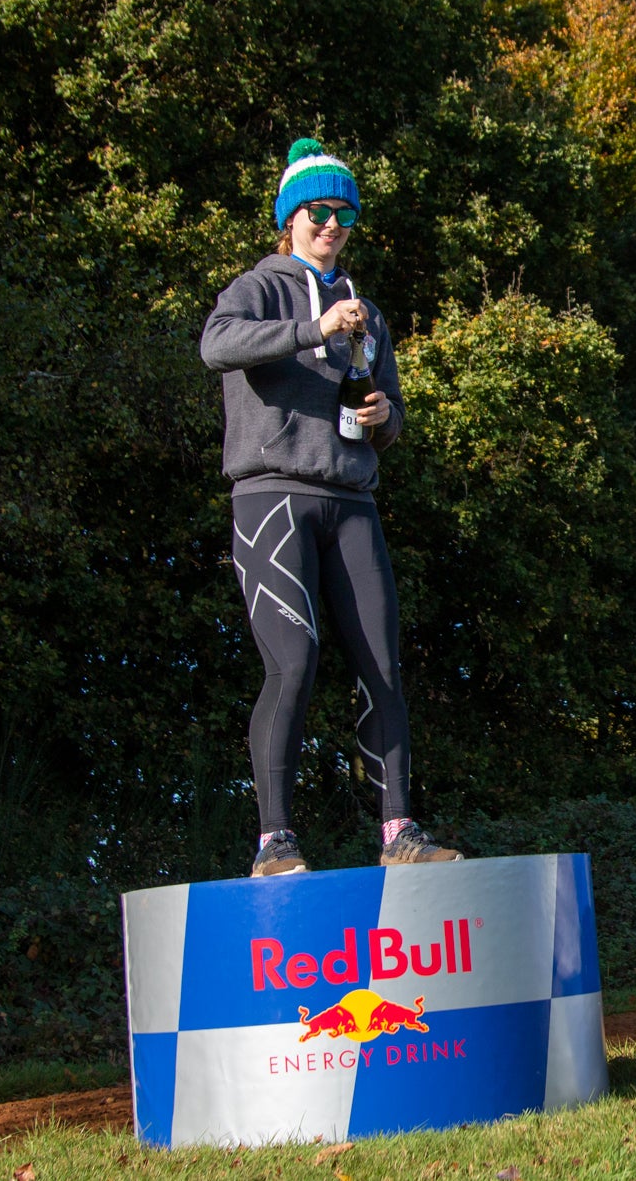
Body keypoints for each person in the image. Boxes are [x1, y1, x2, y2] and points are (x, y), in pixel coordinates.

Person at [200, 137, 462, 876]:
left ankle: (399, 834)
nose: (332, 224)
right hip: (272, 495)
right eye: (318, 210)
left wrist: (384, 416)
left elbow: (395, 417)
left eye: (344, 213)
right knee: (295, 660)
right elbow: (216, 345)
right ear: (290, 217)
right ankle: (274, 841)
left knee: (382, 664)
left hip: (352, 498)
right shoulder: (259, 285)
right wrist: (314, 329)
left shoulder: (367, 311)